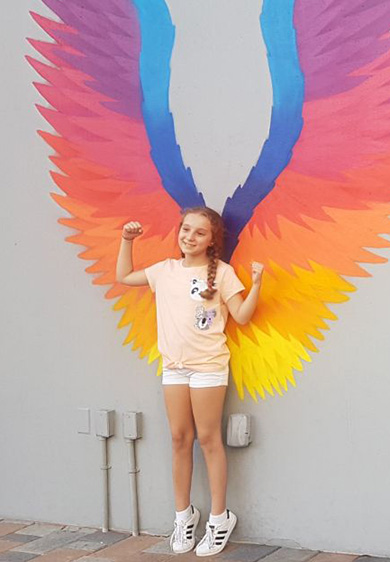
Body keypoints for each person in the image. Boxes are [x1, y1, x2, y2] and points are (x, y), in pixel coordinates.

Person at [115, 207, 263, 557]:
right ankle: (184, 516)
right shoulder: (164, 271)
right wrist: (126, 240)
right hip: (174, 368)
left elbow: (241, 316)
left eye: (199, 232)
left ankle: (219, 517)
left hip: (209, 367)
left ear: (212, 240)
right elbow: (123, 276)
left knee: (209, 439)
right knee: (180, 438)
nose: (189, 237)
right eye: (185, 229)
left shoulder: (223, 274)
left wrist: (256, 285)